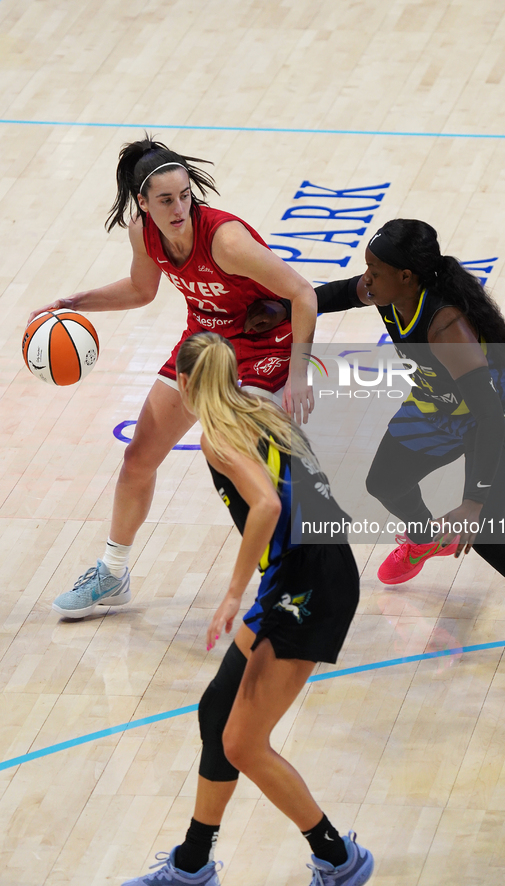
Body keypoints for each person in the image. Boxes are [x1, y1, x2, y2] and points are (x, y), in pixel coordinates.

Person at [121, 332, 373, 886]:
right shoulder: (258, 405)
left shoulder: (219, 436)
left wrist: (234, 591)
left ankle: (339, 858)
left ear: (183, 383)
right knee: (217, 712)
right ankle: (192, 863)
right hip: (308, 572)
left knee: (242, 742)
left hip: (307, 588)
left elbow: (266, 503)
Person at [29, 136, 317, 619]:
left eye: (185, 195)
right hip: (203, 344)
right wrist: (75, 302)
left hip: (262, 348)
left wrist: (302, 373)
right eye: (165, 200)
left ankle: (292, 576)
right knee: (139, 456)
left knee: (240, 461)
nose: (179, 207)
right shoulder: (144, 231)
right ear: (143, 203)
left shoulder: (225, 240)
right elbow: (142, 290)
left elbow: (303, 293)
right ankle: (112, 572)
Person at [310, 219, 505, 673]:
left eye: (374, 270)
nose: (366, 280)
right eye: (366, 268)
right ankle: (425, 537)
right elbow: (329, 296)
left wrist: (473, 502)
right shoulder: (386, 290)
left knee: (487, 527)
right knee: (385, 483)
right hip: (440, 401)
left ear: (407, 278)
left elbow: (489, 416)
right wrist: (279, 307)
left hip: (501, 412)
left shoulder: (445, 325)